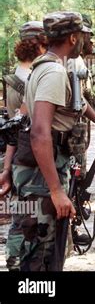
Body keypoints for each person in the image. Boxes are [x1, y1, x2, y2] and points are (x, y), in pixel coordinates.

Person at [11, 11, 95, 271]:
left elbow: (71, 107)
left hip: (44, 175)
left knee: (47, 250)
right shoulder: (54, 72)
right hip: (42, 181)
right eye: (81, 35)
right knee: (41, 254)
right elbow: (39, 132)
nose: (82, 41)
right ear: (72, 37)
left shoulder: (47, 67)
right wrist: (56, 191)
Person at [0, 21, 47, 271]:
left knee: (21, 206)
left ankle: (13, 254)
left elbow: (11, 122)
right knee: (35, 213)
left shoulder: (11, 77)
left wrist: (6, 166)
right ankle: (24, 260)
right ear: (41, 42)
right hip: (35, 150)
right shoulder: (37, 75)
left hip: (17, 150)